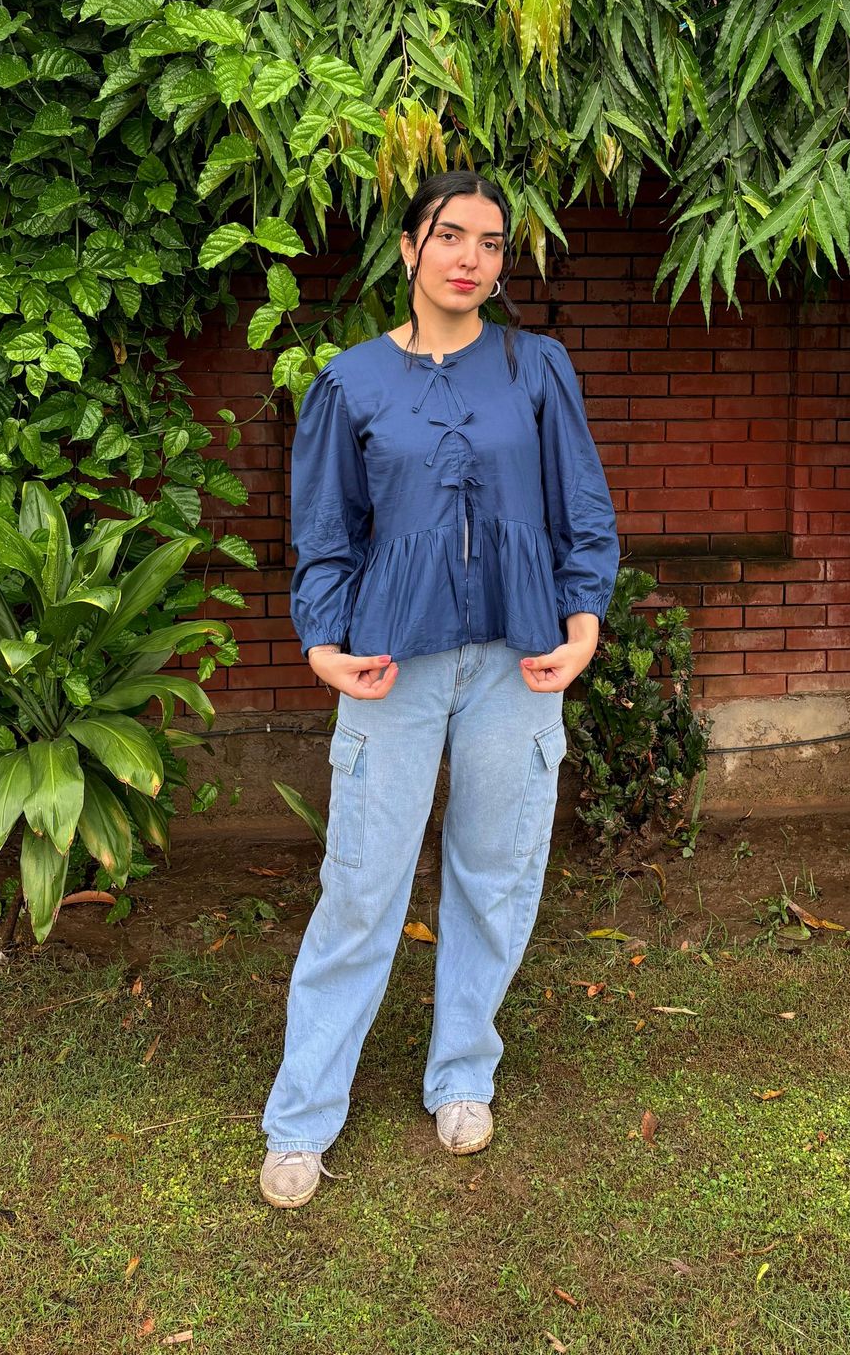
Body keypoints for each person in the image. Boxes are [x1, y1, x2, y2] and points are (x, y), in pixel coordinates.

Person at [258, 171, 621, 1210]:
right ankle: (302, 1115)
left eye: (492, 243)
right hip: (389, 661)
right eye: (449, 235)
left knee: (495, 871)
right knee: (362, 884)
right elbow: (325, 533)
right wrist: (321, 643)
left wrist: (582, 617)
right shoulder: (351, 382)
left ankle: (462, 1072)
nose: (470, 257)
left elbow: (579, 506)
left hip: (519, 656)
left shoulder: (536, 368)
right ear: (409, 250)